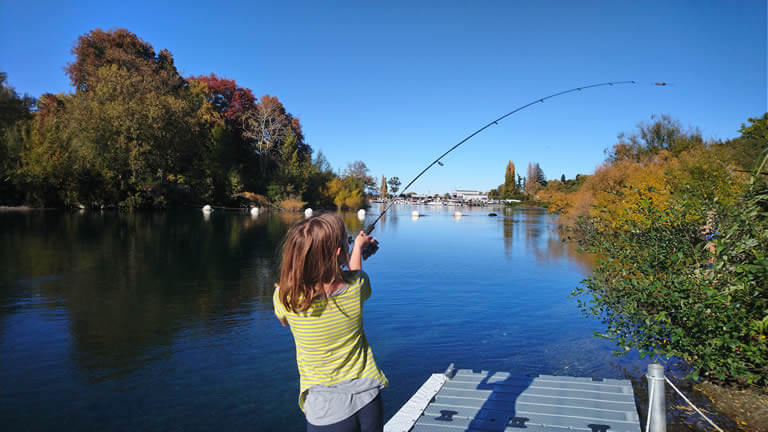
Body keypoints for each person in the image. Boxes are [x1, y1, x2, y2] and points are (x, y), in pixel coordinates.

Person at [273, 213, 388, 432]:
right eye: (346, 240)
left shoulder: (284, 298)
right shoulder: (357, 287)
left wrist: (350, 251)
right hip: (368, 399)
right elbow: (354, 276)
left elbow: (284, 321)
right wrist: (357, 250)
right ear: (337, 253)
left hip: (326, 410)